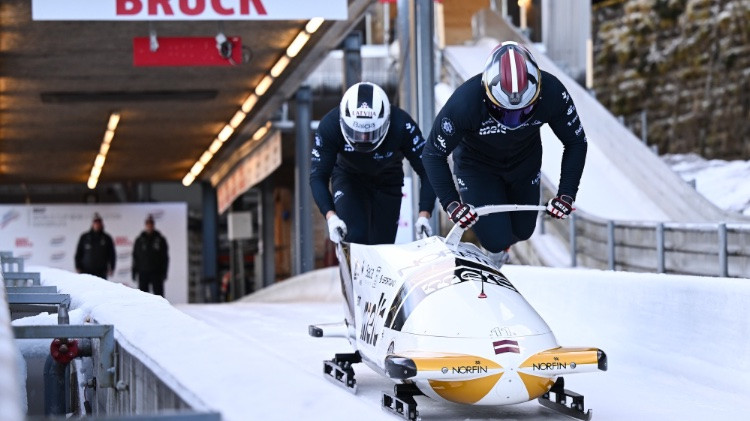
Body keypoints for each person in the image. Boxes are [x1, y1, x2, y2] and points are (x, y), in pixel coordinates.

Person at [422, 41, 587, 266]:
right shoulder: (465, 102)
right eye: (503, 110)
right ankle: (493, 254)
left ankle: (503, 247)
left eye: (523, 111)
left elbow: (576, 141)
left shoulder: (553, 92)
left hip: (524, 162)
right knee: (495, 238)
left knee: (524, 229)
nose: (513, 120)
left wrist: (567, 194)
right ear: (487, 93)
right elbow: (432, 154)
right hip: (477, 167)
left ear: (537, 93)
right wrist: (452, 204)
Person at [310, 82, 437, 245]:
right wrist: (331, 217)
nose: (363, 139)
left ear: (385, 123)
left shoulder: (402, 125)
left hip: (388, 180)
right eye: (357, 133)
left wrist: (424, 215)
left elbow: (429, 170)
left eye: (370, 133)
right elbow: (318, 176)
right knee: (355, 238)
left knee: (382, 245)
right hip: (349, 178)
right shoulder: (330, 125)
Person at [132, 214, 169, 296]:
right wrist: (134, 271)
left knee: (159, 296)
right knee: (143, 296)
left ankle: (160, 309)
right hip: (143, 272)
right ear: (145, 225)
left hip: (156, 272)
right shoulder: (139, 240)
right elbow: (135, 257)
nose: (149, 226)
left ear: (153, 225)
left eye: (151, 224)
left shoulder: (160, 239)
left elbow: (165, 257)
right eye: (148, 224)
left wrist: (164, 272)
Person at [74, 212, 116, 279]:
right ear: (92, 224)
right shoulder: (84, 237)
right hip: (86, 270)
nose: (97, 225)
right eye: (95, 223)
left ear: (101, 224)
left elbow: (112, 254)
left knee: (101, 289)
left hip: (102, 271)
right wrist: (77, 266)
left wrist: (112, 267)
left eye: (99, 223)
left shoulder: (107, 238)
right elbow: (78, 253)